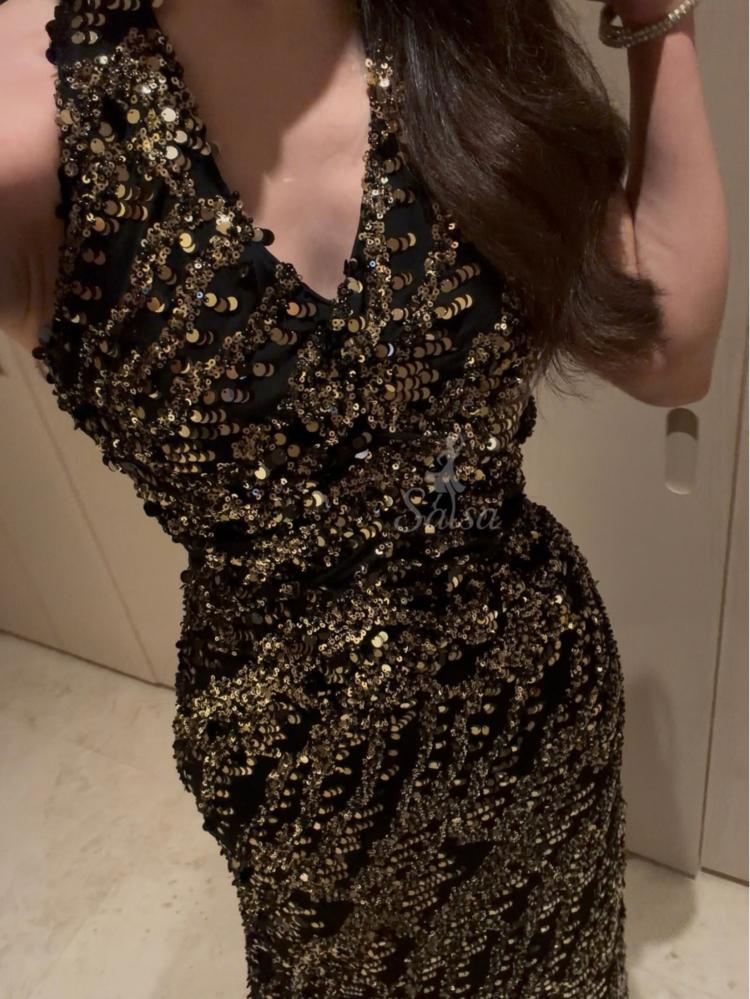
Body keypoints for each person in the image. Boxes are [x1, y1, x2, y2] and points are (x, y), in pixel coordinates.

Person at [0, 0, 729, 995]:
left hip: (543, 705)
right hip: (305, 789)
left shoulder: (467, 31)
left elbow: (666, 350)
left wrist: (659, 22)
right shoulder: (30, 118)